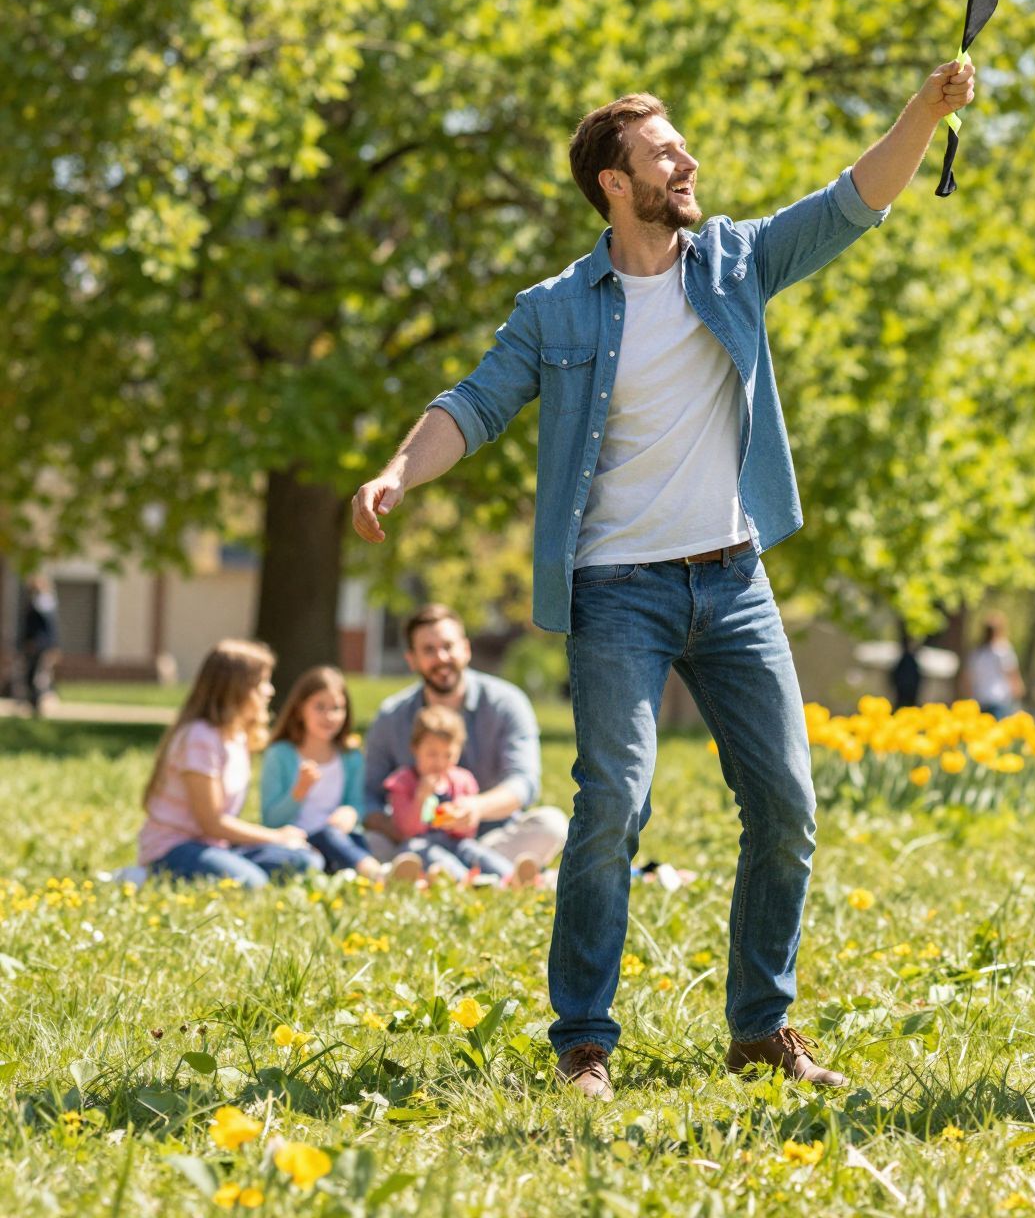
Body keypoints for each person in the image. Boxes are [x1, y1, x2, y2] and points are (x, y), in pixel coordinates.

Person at [350, 60, 976, 1101]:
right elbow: (474, 401)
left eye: (681, 148)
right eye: (663, 151)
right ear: (612, 180)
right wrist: (395, 471)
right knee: (614, 804)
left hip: (732, 582)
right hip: (616, 593)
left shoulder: (732, 263)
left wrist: (924, 108)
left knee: (784, 805)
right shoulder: (557, 308)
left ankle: (758, 1028)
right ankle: (583, 1041)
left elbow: (849, 203)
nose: (686, 160)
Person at [359, 606, 568, 874]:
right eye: (428, 650)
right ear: (411, 659)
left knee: (551, 825)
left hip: (494, 837)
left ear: (466, 649)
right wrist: (404, 830)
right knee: (370, 842)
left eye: (448, 646)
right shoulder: (392, 716)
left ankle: (442, 872)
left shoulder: (506, 703)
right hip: (417, 841)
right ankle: (492, 874)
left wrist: (476, 808)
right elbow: (368, 795)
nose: (441, 657)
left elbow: (523, 783)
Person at [136, 640, 318, 888]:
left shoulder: (237, 736)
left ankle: (227, 867)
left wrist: (281, 841)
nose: (270, 691)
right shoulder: (199, 737)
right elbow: (210, 822)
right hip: (174, 847)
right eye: (261, 683)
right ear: (237, 688)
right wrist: (276, 836)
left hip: (214, 845)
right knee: (251, 883)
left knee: (305, 861)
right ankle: (146, 877)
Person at [382, 705, 527, 884]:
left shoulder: (462, 781)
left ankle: (512, 876)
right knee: (424, 850)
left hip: (455, 842)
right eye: (432, 754)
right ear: (415, 748)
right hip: (418, 844)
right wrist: (420, 797)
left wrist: (459, 822)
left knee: (474, 851)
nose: (440, 762)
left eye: (448, 755)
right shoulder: (402, 782)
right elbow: (405, 829)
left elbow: (469, 832)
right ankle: (466, 881)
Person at [260, 666, 380, 878]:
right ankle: (376, 874)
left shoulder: (351, 757)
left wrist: (350, 813)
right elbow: (271, 820)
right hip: (297, 842)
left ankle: (356, 871)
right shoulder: (280, 754)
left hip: (340, 838)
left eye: (337, 708)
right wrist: (299, 791)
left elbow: (356, 804)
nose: (329, 716)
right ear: (300, 709)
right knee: (326, 841)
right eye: (320, 707)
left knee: (349, 839)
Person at [13, 575, 59, 714]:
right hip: (34, 644)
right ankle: (32, 703)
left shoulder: (44, 602)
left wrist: (49, 645)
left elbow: (48, 627)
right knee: (30, 674)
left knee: (38, 675)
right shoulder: (36, 601)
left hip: (39, 645)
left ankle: (37, 703)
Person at [963, 615, 1023, 717]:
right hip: (999, 700)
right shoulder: (1003, 649)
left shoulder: (977, 653)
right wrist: (1018, 694)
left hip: (979, 699)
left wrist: (970, 698)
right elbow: (1013, 676)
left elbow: (968, 678)